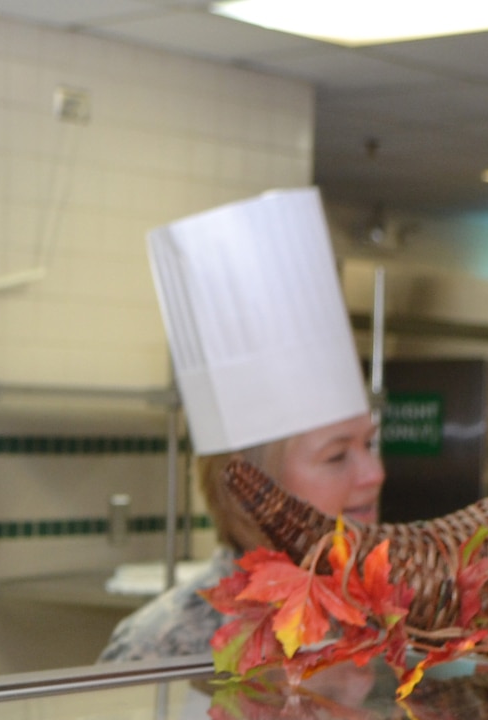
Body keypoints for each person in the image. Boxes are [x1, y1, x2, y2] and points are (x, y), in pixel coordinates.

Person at [101, 188, 384, 664]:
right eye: (337, 455)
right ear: (249, 486)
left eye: (370, 444)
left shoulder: (396, 621)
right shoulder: (163, 646)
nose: (374, 473)